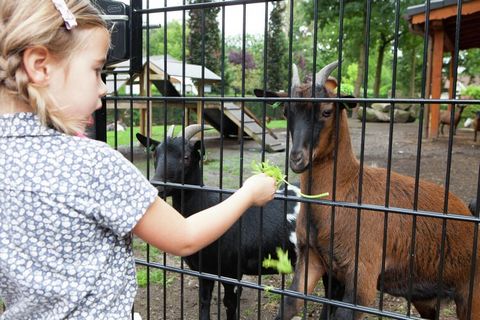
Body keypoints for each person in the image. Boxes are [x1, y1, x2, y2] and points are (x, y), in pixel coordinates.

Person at [0, 1, 276, 319]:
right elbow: (184, 237)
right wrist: (248, 193)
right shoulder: (94, 165)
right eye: (97, 70)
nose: (104, 87)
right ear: (40, 66)